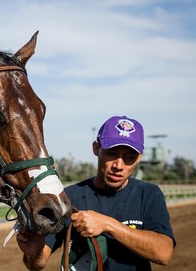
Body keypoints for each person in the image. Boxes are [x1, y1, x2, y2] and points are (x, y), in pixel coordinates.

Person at [17, 116, 176, 270]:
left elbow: (164, 253)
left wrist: (107, 225)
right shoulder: (70, 196)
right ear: (96, 148)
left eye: (130, 157)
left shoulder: (148, 194)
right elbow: (38, 263)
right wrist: (35, 253)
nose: (119, 165)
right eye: (112, 153)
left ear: (139, 158)